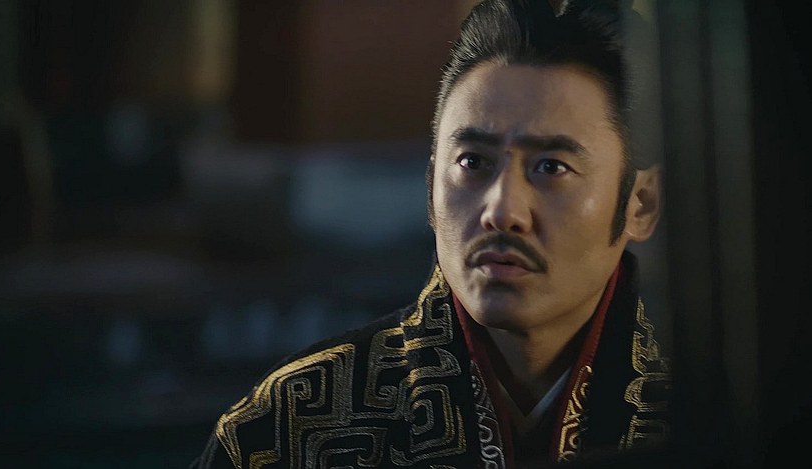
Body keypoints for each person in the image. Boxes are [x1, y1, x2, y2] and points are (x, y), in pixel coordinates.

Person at [191, 0, 672, 467]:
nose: (502, 212)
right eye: (473, 162)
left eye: (551, 167)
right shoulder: (284, 430)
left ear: (640, 203)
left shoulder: (705, 411)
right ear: (430, 186)